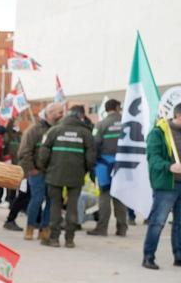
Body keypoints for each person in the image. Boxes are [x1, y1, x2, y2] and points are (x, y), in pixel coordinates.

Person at [37, 104, 96, 248]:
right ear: (80, 117)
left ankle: (54, 239)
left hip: (55, 173)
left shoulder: (54, 130)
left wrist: (45, 168)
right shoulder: (86, 133)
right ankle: (70, 239)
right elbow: (91, 157)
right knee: (73, 206)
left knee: (55, 206)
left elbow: (43, 153)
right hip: (76, 175)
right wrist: (85, 170)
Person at [142, 102, 181, 269]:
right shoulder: (158, 132)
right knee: (158, 221)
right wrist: (169, 166)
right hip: (167, 184)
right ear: (179, 116)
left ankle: (178, 256)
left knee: (180, 223)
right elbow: (153, 158)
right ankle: (148, 256)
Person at [18, 102, 63, 241]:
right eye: (59, 112)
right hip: (37, 172)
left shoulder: (59, 129)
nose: (62, 115)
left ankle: (44, 229)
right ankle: (30, 227)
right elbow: (25, 151)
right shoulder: (34, 130)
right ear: (49, 113)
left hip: (53, 172)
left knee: (51, 201)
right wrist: (31, 169)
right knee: (36, 200)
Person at [90, 98, 129, 236]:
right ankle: (122, 228)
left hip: (104, 165)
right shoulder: (127, 123)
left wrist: (92, 165)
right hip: (123, 165)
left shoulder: (101, 124)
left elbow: (94, 144)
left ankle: (102, 228)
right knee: (120, 195)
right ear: (118, 107)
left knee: (104, 196)